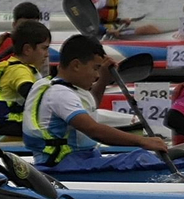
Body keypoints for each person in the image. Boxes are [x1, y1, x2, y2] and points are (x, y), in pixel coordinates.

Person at [23, 35, 167, 167]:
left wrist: (104, 79)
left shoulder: (59, 86)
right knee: (140, 158)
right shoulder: (60, 94)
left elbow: (90, 108)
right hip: (64, 165)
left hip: (79, 160)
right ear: (76, 65)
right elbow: (93, 130)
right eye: (95, 68)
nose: (97, 75)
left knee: (140, 156)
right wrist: (143, 141)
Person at [0, 19, 51, 137]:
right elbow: (33, 95)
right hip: (13, 128)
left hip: (2, 125)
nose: (47, 54)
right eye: (44, 48)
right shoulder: (19, 71)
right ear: (27, 49)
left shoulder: (11, 66)